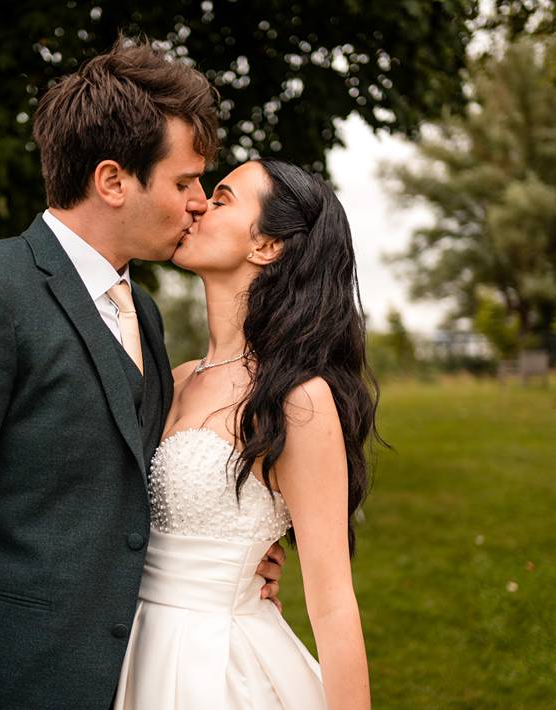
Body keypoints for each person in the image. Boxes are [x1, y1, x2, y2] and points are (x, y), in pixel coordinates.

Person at [0, 38, 288, 709]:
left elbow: (124, 493)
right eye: (184, 181)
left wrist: (223, 561)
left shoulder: (146, 314)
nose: (199, 202)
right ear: (112, 181)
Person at [112, 158, 379, 709]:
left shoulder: (295, 399)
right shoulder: (176, 376)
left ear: (266, 246)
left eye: (224, 198)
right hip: (127, 650)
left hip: (213, 669)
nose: (198, 205)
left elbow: (332, 603)